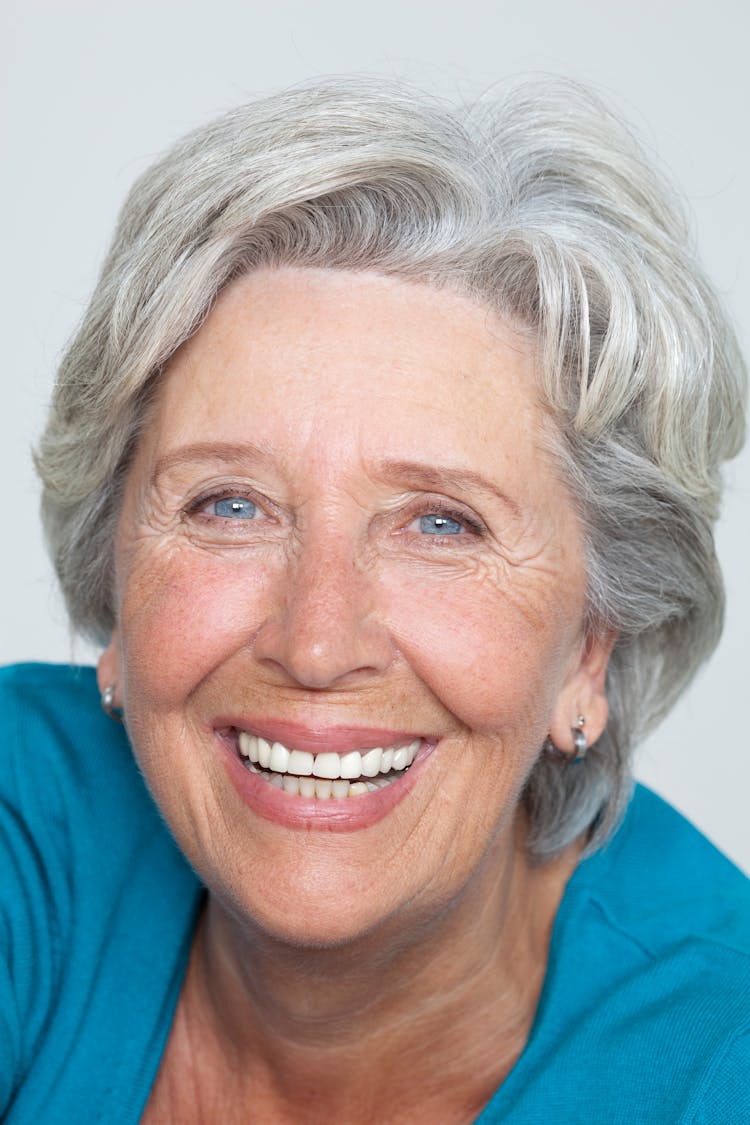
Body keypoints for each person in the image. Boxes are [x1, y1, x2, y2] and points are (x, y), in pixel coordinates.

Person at [2, 75, 748, 1124]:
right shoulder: (26, 819)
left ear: (591, 648)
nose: (316, 641)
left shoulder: (720, 1067)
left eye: (443, 524)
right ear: (111, 583)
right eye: (229, 505)